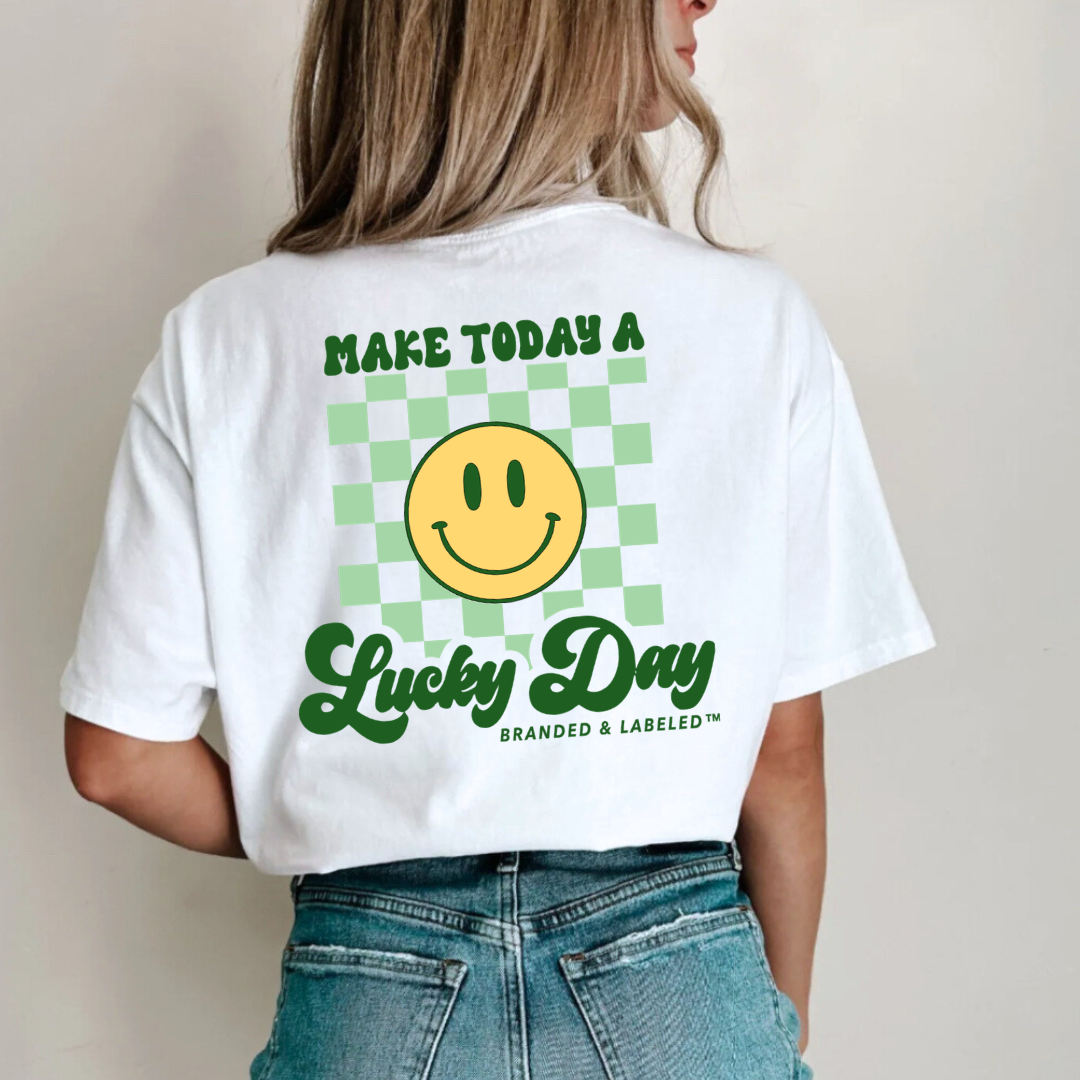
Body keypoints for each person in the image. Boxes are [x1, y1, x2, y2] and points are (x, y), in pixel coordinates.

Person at [60, 1, 934, 1077]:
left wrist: (334, 813)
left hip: (367, 986)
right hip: (682, 981)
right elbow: (779, 753)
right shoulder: (751, 320)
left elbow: (116, 757)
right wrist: (778, 1013)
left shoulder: (224, 339)